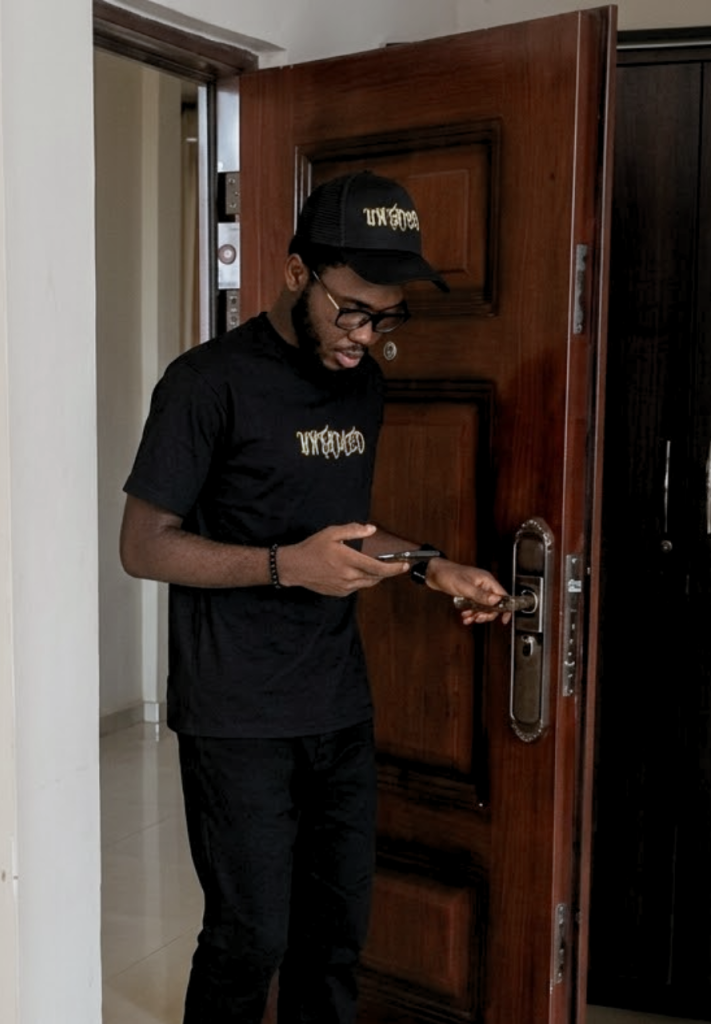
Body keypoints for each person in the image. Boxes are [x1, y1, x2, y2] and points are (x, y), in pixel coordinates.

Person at [119, 171, 509, 1024]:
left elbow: (345, 532)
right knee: (248, 940)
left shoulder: (360, 384)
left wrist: (430, 565)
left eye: (387, 317)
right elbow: (142, 547)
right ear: (297, 272)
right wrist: (284, 567)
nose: (366, 337)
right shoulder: (205, 383)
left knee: (334, 940)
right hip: (235, 713)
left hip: (336, 703)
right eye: (353, 311)